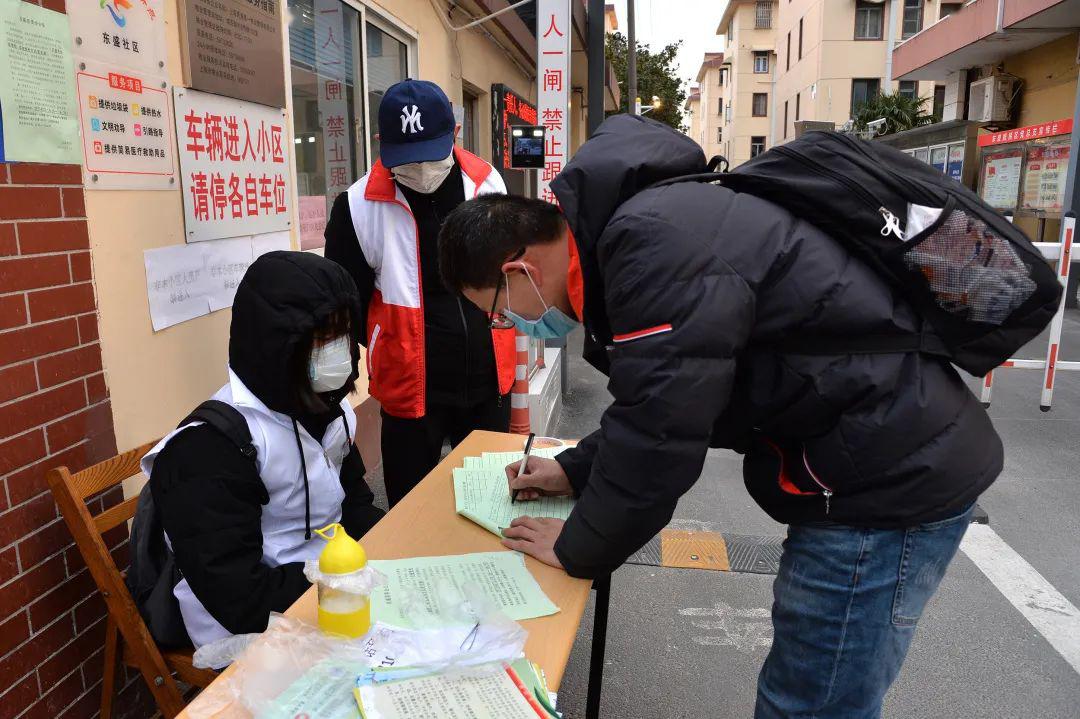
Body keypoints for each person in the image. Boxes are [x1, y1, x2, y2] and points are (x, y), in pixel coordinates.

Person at [437, 115, 1002, 717]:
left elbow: (661, 437)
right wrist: (574, 469)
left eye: (498, 311)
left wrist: (578, 547)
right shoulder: (643, 228)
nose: (509, 325)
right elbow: (667, 402)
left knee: (810, 703)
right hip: (876, 453)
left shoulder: (649, 248)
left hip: (886, 479)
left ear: (516, 270)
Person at [140, 251, 384, 649]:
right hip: (253, 628)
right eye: (322, 337)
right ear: (277, 344)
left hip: (331, 584)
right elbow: (239, 599)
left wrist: (393, 549)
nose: (338, 350)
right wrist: (343, 582)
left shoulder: (328, 408)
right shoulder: (209, 449)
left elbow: (353, 501)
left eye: (342, 333)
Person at [325, 79, 516, 507]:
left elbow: (506, 272)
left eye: (431, 153)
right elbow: (345, 300)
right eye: (407, 159)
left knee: (489, 500)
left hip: (487, 378)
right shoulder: (357, 205)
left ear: (454, 134)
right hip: (409, 387)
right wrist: (385, 340)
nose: (421, 169)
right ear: (382, 144)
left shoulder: (486, 184)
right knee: (411, 506)